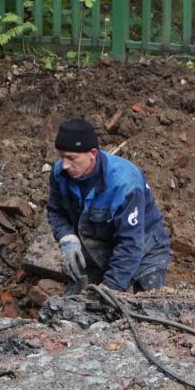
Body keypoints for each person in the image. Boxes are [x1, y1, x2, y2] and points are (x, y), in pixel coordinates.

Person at [46, 118, 171, 292]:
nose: (65, 165)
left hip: (145, 249)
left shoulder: (125, 184)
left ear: (93, 153)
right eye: (61, 157)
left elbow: (130, 244)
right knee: (76, 307)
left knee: (147, 311)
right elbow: (55, 211)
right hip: (99, 250)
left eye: (72, 158)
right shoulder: (60, 174)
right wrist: (66, 236)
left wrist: (111, 287)